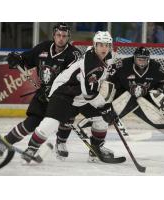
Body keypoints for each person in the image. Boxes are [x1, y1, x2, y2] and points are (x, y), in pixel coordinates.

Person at [21, 31, 118, 163]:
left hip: (79, 94)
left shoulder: (108, 57)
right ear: (95, 45)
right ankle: (31, 148)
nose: (104, 48)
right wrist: (105, 107)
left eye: (107, 45)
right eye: (100, 45)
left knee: (101, 119)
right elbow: (89, 93)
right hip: (63, 92)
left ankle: (96, 148)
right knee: (51, 123)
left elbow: (93, 88)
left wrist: (106, 109)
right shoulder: (90, 62)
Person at [0, 23, 82, 159]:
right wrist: (17, 59)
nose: (61, 38)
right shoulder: (44, 47)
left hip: (62, 96)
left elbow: (72, 79)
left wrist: (57, 92)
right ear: (54, 35)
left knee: (62, 120)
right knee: (30, 123)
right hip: (43, 94)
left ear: (68, 37)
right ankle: (4, 143)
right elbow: (26, 59)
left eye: (64, 36)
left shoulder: (74, 55)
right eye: (58, 35)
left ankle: (55, 143)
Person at [109, 46, 164, 141]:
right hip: (125, 94)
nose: (141, 62)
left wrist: (158, 92)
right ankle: (92, 127)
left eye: (144, 60)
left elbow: (163, 83)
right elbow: (110, 77)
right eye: (139, 60)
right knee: (109, 113)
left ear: (148, 59)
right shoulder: (123, 64)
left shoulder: (156, 68)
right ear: (134, 59)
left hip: (146, 97)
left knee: (154, 114)